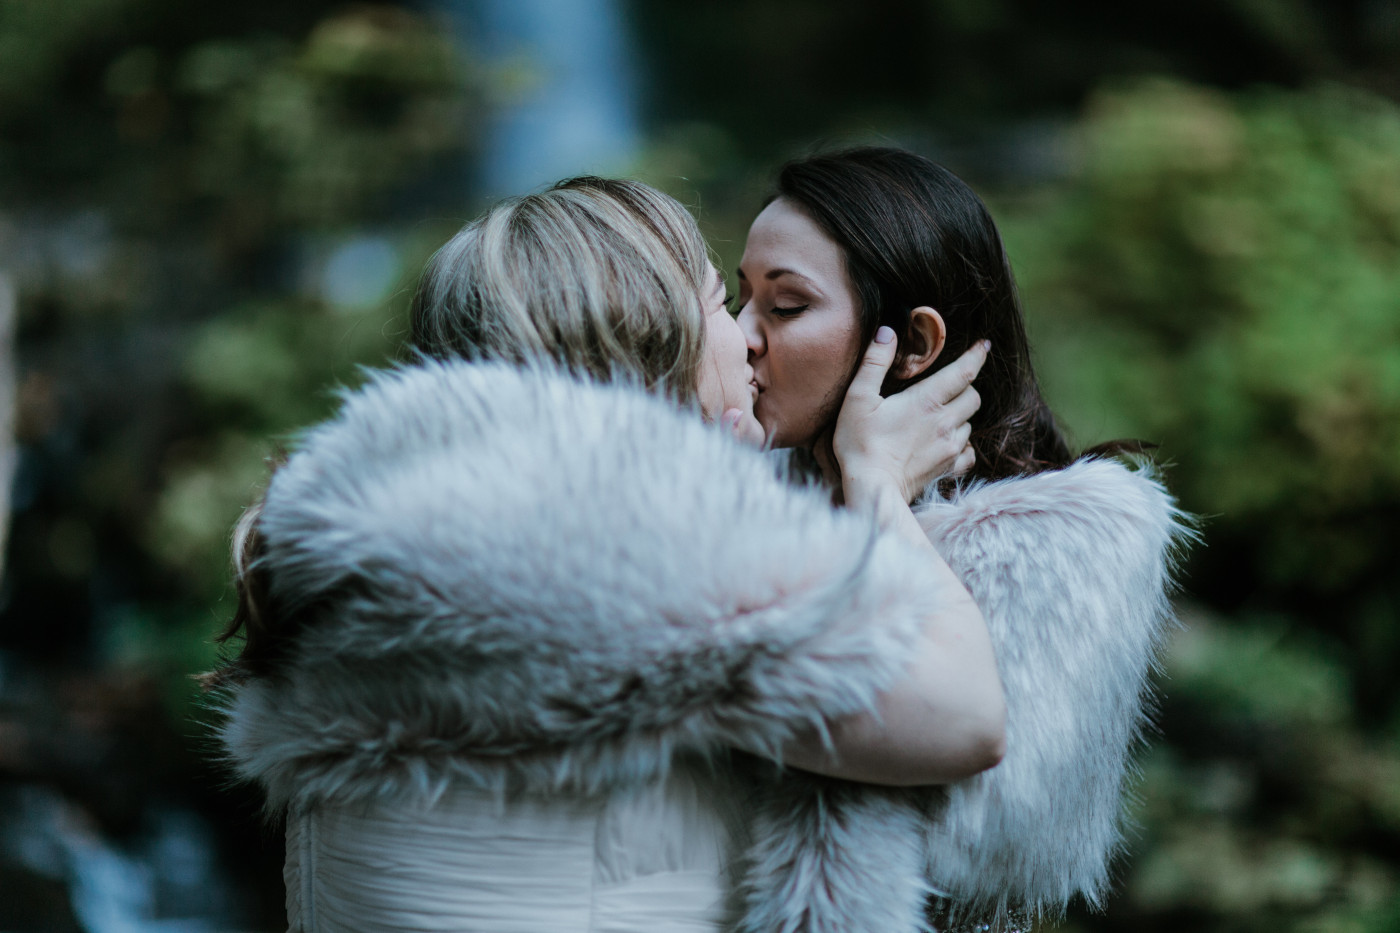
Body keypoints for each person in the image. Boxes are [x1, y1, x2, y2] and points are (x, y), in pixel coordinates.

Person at [212, 176, 1007, 933]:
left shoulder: (383, 536)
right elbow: (964, 717)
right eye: (719, 301)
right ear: (660, 341)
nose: (747, 339)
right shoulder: (621, 558)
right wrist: (878, 485)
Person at [731, 147, 1193, 932]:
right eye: (741, 299)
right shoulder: (732, 491)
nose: (742, 335)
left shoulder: (1063, 537)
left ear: (913, 344)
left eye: (785, 306)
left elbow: (992, 836)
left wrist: (876, 495)